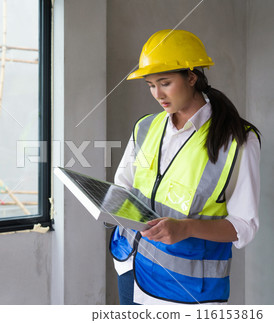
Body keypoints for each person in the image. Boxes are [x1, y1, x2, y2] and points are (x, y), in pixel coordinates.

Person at [109, 29, 261, 305]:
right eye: (150, 85)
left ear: (192, 77)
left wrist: (186, 228)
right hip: (130, 265)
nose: (157, 94)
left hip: (186, 289)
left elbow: (243, 226)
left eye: (165, 83)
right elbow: (125, 187)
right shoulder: (147, 127)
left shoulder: (238, 139)